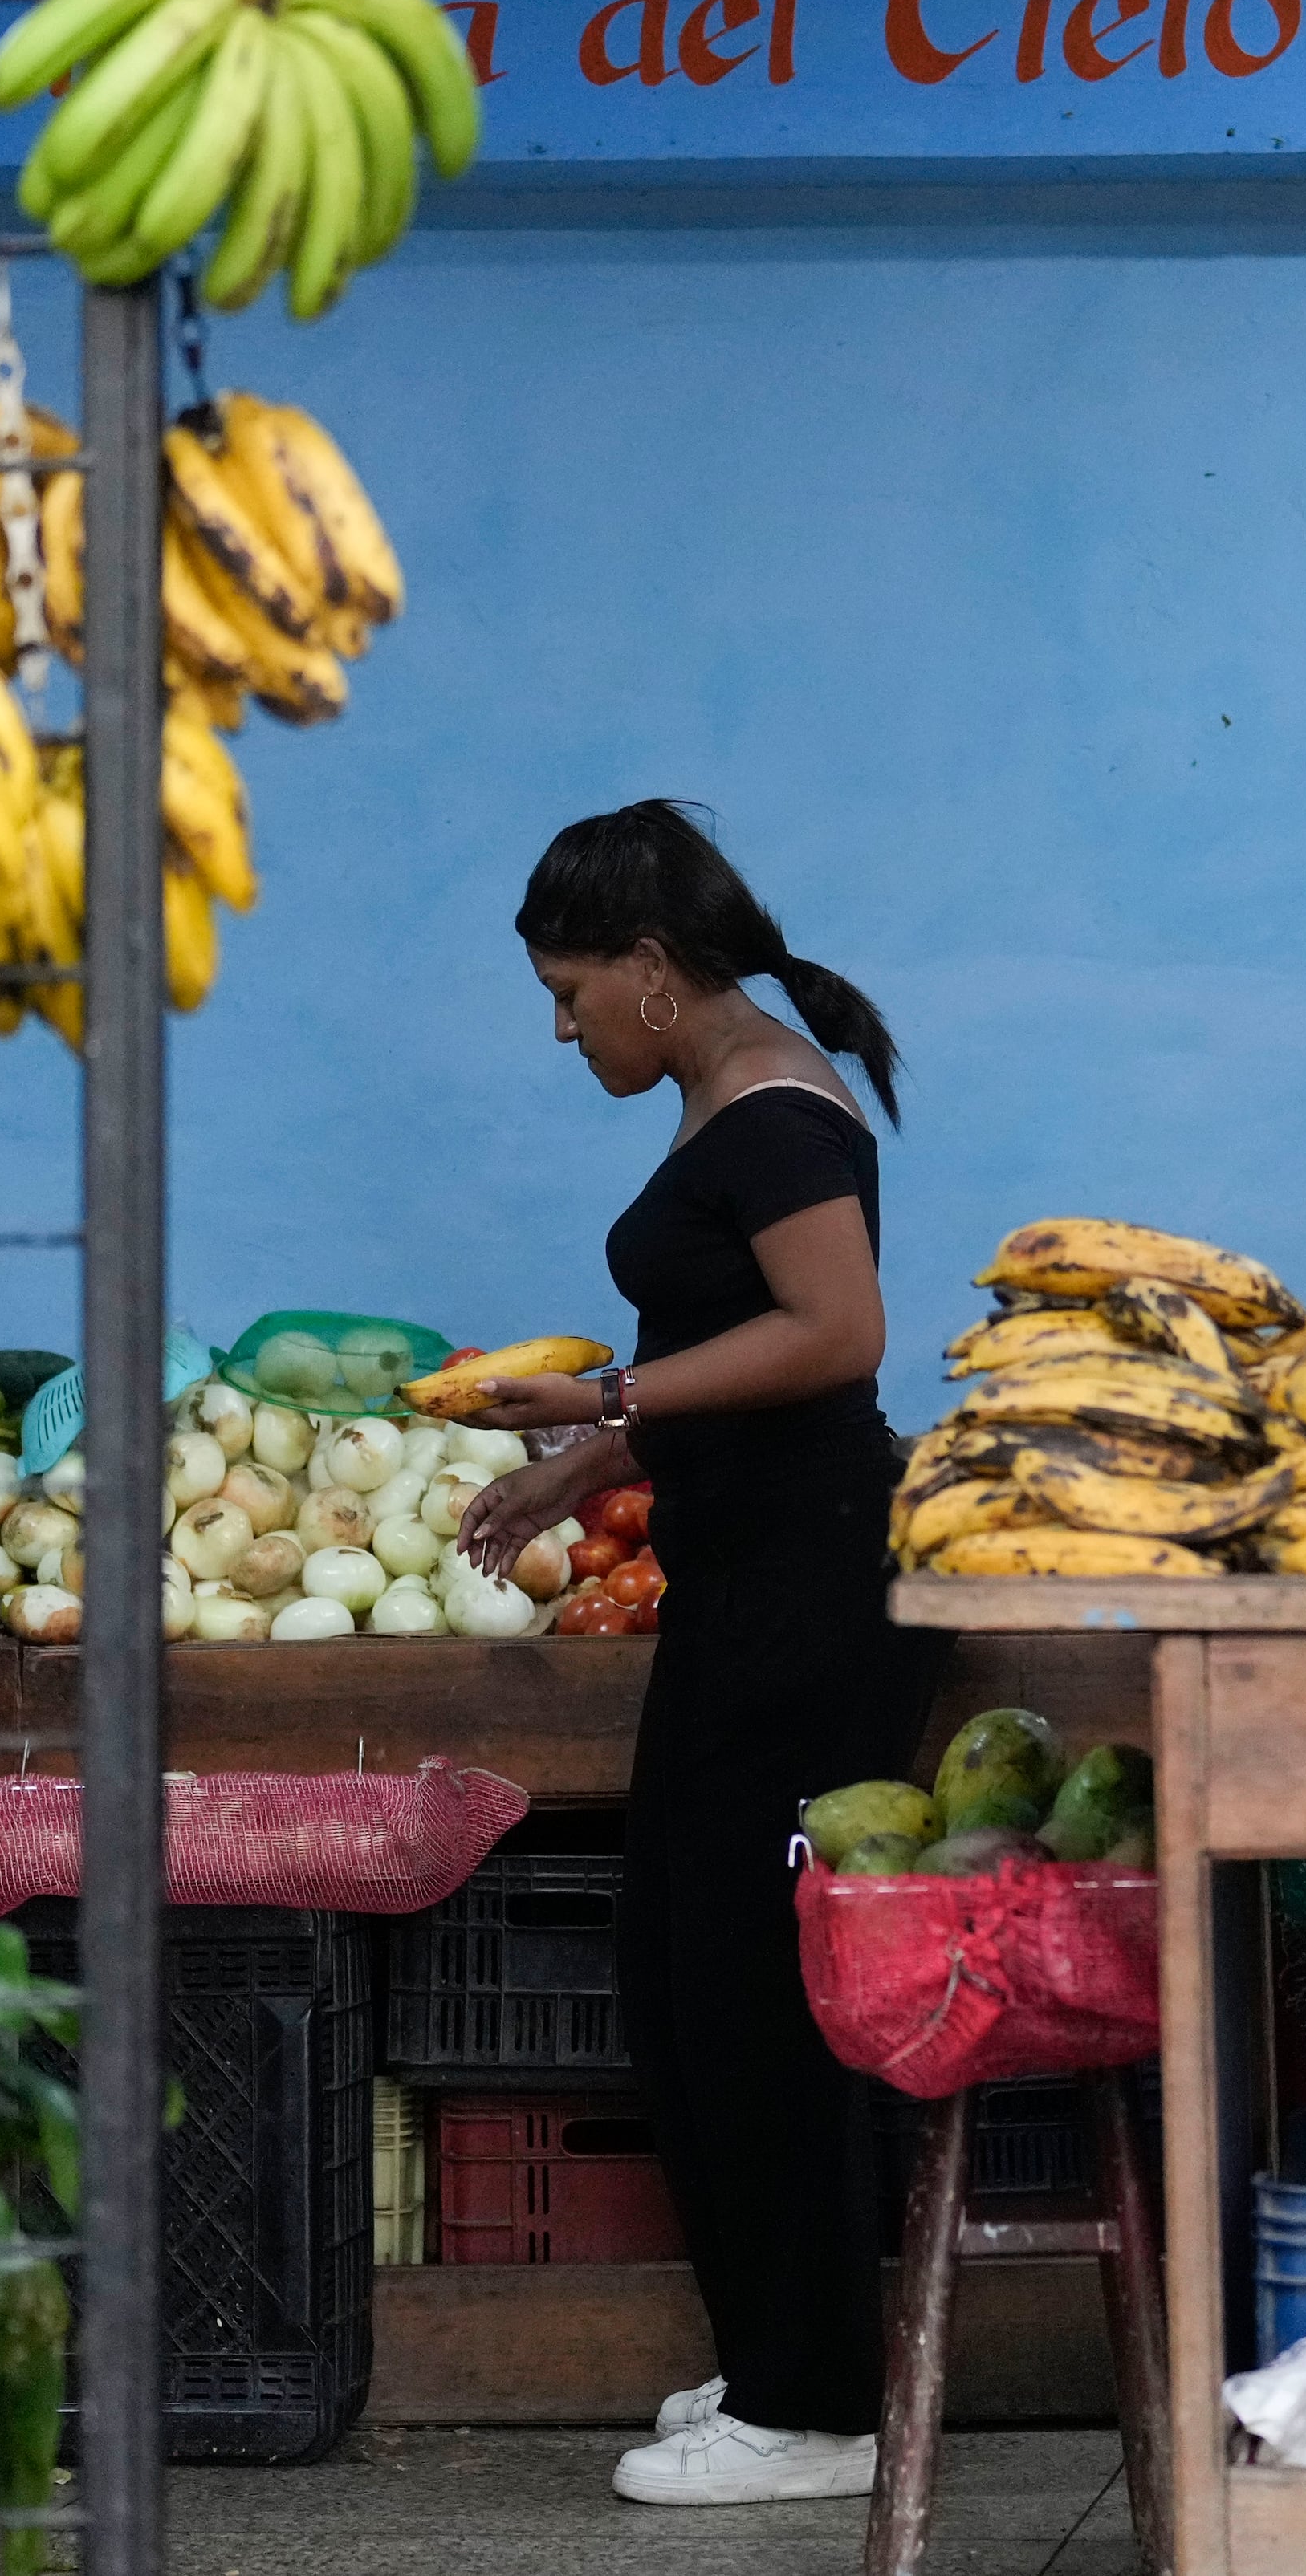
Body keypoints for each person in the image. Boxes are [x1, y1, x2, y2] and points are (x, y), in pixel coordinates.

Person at [451, 801, 936, 2508]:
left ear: (652, 970)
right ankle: (777, 2358)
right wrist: (586, 1467)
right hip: (747, 1588)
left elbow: (837, 1333)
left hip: (812, 1598)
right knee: (681, 1977)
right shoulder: (730, 1097)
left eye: (572, 988)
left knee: (753, 1992)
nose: (563, 1024)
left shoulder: (780, 1111)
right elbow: (736, 1351)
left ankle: (810, 2412)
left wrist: (599, 1395)